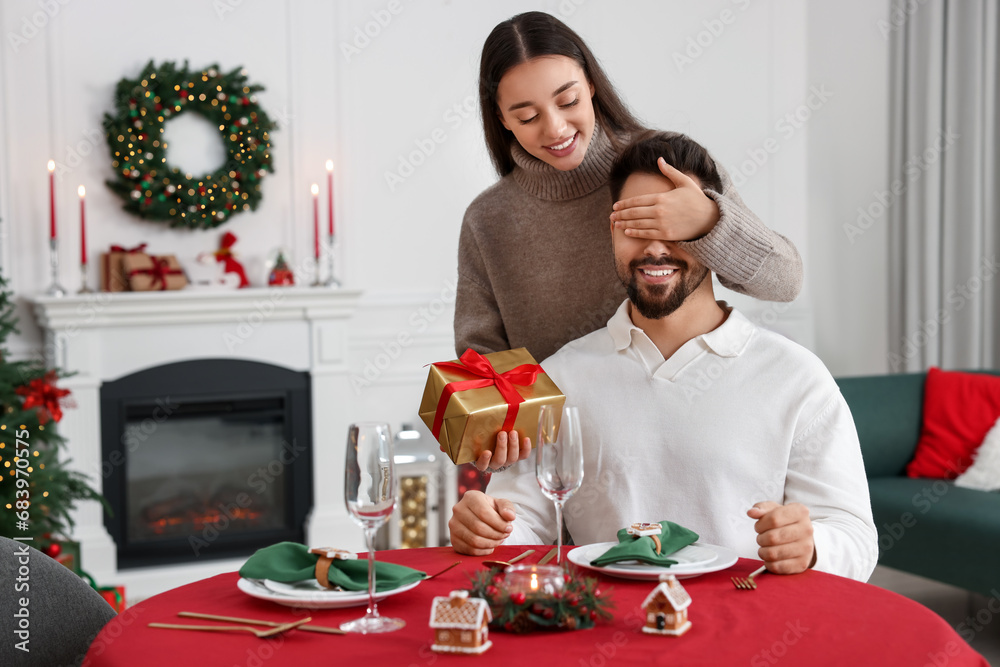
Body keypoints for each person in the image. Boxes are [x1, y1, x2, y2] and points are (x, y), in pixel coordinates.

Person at [448, 132, 878, 581]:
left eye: (675, 226)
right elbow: (523, 524)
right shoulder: (558, 379)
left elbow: (855, 540)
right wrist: (486, 527)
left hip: (748, 641)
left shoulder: (796, 378)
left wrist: (812, 547)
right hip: (608, 639)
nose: (655, 247)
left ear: (713, 232)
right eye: (635, 224)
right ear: (611, 233)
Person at [457, 11, 804, 473]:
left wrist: (709, 219)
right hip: (563, 462)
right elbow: (482, 362)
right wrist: (492, 437)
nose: (556, 129)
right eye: (527, 115)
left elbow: (786, 281)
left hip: (686, 435)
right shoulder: (489, 219)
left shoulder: (663, 168)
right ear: (501, 119)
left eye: (568, 100)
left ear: (592, 85)